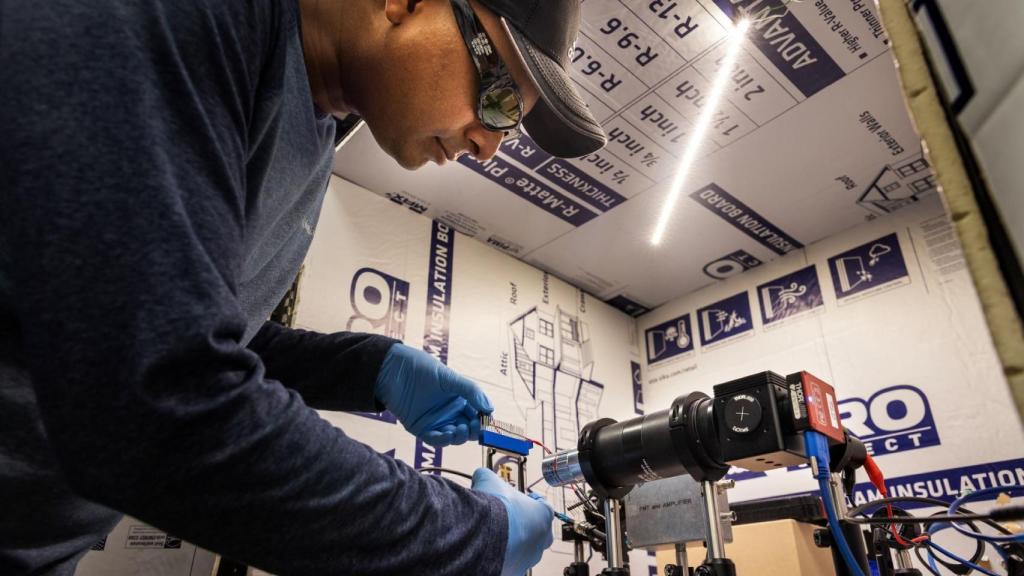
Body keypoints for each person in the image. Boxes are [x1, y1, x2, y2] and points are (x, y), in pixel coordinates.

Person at [0, 0, 607, 573]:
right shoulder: (184, 22)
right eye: (499, 98)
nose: (490, 144)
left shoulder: (316, 129)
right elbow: (155, 399)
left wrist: (369, 369)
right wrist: (471, 538)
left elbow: (174, 318)